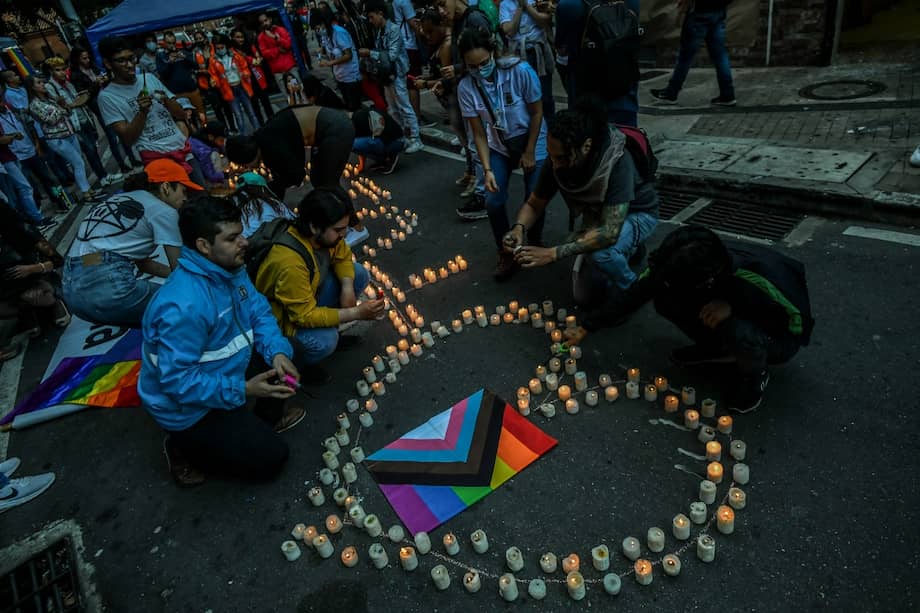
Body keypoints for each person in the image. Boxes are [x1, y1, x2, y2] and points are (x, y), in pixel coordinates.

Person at [139, 196, 304, 486]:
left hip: (224, 374)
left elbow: (258, 311)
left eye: (241, 233)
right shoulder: (182, 307)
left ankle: (258, 423)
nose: (244, 242)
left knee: (291, 350)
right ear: (204, 245)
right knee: (270, 459)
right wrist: (243, 388)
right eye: (232, 238)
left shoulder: (231, 269)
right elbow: (177, 382)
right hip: (189, 407)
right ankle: (182, 446)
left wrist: (277, 352)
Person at [566, 225, 813, 413]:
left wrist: (734, 307)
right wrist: (588, 326)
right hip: (722, 306)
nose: (667, 281)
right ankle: (716, 349)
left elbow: (795, 327)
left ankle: (753, 376)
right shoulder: (675, 264)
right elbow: (636, 294)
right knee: (664, 298)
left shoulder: (758, 277)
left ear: (708, 278)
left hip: (777, 337)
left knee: (737, 329)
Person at [503, 98, 658, 298]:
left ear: (586, 146)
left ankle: (633, 290)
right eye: (551, 156)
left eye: (561, 158)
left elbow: (609, 233)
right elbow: (534, 204)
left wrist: (553, 253)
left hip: (637, 213)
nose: (555, 164)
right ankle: (631, 249)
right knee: (585, 296)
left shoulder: (617, 162)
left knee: (602, 254)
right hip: (599, 217)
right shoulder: (556, 158)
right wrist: (519, 228)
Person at [254, 187, 384, 373]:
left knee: (358, 274)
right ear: (314, 226)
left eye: (345, 228)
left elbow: (342, 255)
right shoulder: (289, 262)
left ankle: (332, 331)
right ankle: (300, 363)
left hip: (309, 293)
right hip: (284, 321)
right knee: (325, 340)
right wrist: (356, 313)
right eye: (338, 229)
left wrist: (347, 287)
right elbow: (303, 316)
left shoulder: (324, 237)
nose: (344, 234)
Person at [62, 160, 200, 327]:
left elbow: (143, 264)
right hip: (106, 284)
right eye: (183, 191)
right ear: (165, 187)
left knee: (158, 322)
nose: (185, 198)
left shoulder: (119, 198)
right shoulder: (164, 211)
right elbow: (180, 271)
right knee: (187, 306)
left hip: (72, 287)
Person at [457, 27, 547, 281]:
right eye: (471, 66)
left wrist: (530, 151)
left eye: (483, 63)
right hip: (499, 145)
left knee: (535, 195)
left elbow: (537, 112)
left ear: (494, 53)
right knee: (493, 200)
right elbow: (478, 133)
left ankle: (535, 241)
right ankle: (506, 250)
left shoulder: (520, 72)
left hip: (532, 139)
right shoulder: (466, 87)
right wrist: (485, 170)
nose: (479, 69)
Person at [97, 36, 207, 187]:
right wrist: (142, 112)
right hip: (157, 161)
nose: (130, 65)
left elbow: (181, 114)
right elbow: (127, 139)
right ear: (108, 64)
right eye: (121, 61)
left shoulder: (149, 78)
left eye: (131, 58)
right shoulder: (107, 97)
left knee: (203, 196)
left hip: (183, 152)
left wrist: (166, 101)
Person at [225, 105, 354, 197]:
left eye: (244, 164)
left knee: (328, 181)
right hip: (327, 128)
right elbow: (281, 177)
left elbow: (296, 175)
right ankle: (338, 219)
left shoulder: (270, 145)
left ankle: (356, 227)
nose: (247, 168)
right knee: (318, 179)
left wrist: (266, 189)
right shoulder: (262, 140)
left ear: (248, 155)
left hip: (336, 128)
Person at [417, 8, 477, 201]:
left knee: (469, 140)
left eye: (430, 31)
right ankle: (470, 171)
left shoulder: (447, 47)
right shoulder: (440, 44)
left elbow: (447, 79)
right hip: (452, 99)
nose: (427, 36)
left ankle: (476, 175)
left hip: (457, 98)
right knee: (464, 139)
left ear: (441, 26)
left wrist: (426, 84)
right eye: (424, 32)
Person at [0, 200, 69, 362]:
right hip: (8, 294)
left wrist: (31, 269)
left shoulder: (24, 232)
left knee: (37, 295)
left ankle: (54, 302)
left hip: (36, 282)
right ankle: (25, 312)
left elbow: (57, 260)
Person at [555, 0, 640, 125]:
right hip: (625, 95)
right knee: (626, 139)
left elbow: (561, 49)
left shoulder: (568, 5)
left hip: (586, 99)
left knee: (588, 139)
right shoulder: (632, 2)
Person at [43, 57, 122, 189]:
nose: (62, 72)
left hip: (83, 119)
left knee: (93, 149)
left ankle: (103, 175)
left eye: (63, 69)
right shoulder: (50, 87)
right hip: (72, 124)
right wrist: (72, 104)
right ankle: (101, 178)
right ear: (51, 71)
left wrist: (79, 101)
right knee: (88, 151)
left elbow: (78, 100)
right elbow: (62, 106)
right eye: (58, 70)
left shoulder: (67, 84)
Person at [359, 0, 424, 154]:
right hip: (386, 75)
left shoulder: (393, 29)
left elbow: (392, 55)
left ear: (381, 14)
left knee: (405, 106)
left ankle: (416, 138)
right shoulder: (380, 31)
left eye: (371, 17)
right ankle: (401, 135)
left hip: (397, 73)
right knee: (393, 109)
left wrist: (370, 53)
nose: (371, 21)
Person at [650, 0, 736, 106]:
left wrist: (684, 8)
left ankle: (671, 93)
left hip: (699, 13)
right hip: (718, 12)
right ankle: (728, 94)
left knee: (685, 56)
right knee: (720, 55)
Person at [26, 75, 97, 202]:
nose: (43, 84)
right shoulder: (34, 105)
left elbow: (69, 111)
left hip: (69, 133)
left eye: (42, 81)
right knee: (78, 162)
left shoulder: (50, 99)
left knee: (79, 161)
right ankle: (85, 192)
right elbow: (51, 120)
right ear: (32, 87)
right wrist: (62, 107)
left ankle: (87, 189)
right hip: (56, 138)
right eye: (39, 82)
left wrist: (64, 107)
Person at [69, 47, 139, 175]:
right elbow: (84, 94)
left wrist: (105, 79)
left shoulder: (94, 67)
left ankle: (132, 158)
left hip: (110, 99)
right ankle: (121, 164)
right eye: (84, 58)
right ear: (77, 59)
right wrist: (95, 84)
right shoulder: (76, 75)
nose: (87, 60)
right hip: (97, 105)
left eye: (88, 57)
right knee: (112, 136)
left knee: (122, 131)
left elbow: (107, 76)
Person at [0, 81, 64, 218]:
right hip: (16, 157)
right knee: (29, 186)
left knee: (48, 179)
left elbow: (30, 126)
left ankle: (60, 201)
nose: (2, 103)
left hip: (31, 150)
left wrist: (37, 144)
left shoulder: (14, 111)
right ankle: (37, 211)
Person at [500, 0, 555, 120]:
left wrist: (527, 6)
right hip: (519, 55)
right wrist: (520, 8)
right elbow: (509, 30)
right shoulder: (505, 4)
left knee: (545, 95)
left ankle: (551, 129)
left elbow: (544, 21)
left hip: (539, 51)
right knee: (525, 96)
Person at [312, 6, 364, 111]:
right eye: (316, 29)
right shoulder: (326, 35)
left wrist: (330, 63)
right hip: (340, 76)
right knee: (348, 105)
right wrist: (321, 53)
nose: (318, 30)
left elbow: (348, 55)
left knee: (355, 107)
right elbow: (330, 51)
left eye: (318, 27)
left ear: (324, 23)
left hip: (350, 76)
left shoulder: (339, 32)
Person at [209, 34, 261, 136]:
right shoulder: (213, 60)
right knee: (238, 115)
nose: (220, 50)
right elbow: (214, 74)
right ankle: (242, 137)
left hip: (242, 87)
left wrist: (246, 74)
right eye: (218, 48)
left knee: (251, 112)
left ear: (226, 45)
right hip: (229, 90)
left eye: (222, 47)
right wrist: (214, 81)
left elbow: (244, 66)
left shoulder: (235, 55)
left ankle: (259, 132)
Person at [156, 32, 208, 121]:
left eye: (173, 43)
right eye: (169, 43)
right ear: (164, 42)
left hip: (191, 90)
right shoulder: (161, 56)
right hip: (176, 94)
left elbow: (195, 66)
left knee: (201, 116)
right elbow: (162, 74)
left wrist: (185, 58)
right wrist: (169, 63)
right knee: (185, 120)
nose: (172, 45)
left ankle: (207, 132)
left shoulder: (183, 51)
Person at [192, 30, 235, 132]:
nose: (199, 40)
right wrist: (201, 71)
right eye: (196, 39)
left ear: (205, 38)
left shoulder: (214, 48)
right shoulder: (195, 52)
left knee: (226, 106)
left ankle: (232, 127)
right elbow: (194, 69)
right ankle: (223, 129)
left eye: (200, 38)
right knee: (217, 108)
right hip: (207, 85)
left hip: (220, 81)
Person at [230, 29, 275, 125]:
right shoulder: (231, 52)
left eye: (241, 37)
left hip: (258, 78)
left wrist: (247, 57)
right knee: (255, 108)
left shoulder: (250, 46)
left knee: (266, 104)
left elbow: (258, 61)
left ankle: (273, 124)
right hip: (246, 82)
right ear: (232, 38)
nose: (240, 39)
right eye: (237, 37)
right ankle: (261, 127)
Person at [230, 171, 295, 237]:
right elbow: (294, 220)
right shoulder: (274, 204)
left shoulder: (229, 205)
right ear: (263, 189)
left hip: (239, 245)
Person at [258, 12, 301, 97]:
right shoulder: (261, 37)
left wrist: (276, 38)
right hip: (278, 73)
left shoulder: (280, 30)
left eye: (265, 20)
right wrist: (278, 49)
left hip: (290, 68)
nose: (264, 23)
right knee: (289, 97)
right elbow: (264, 54)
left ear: (270, 19)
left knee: (299, 93)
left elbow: (288, 45)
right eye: (262, 22)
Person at [351, 106, 405, 174]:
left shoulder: (357, 122)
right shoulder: (358, 115)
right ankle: (383, 159)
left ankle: (390, 159)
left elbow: (360, 146)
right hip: (398, 138)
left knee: (352, 144)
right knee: (357, 143)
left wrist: (362, 165)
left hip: (395, 142)